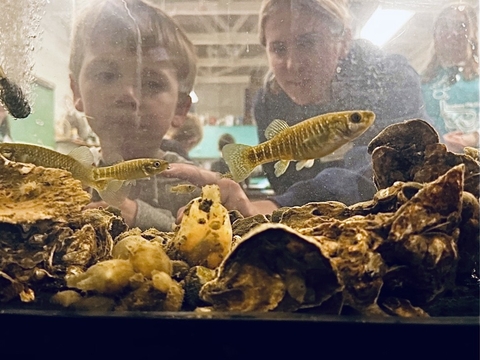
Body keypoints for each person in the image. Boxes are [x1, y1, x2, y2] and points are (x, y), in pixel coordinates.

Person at [163, 0, 430, 217]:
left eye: (308, 43)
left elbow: (384, 164)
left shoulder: (388, 76)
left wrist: (281, 205)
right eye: (279, 48)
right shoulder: (268, 100)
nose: (293, 64)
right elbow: (283, 178)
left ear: (344, 41)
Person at [69, 0, 199, 231]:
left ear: (180, 108)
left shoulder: (193, 183)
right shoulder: (69, 178)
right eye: (106, 75)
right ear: (76, 91)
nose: (127, 95)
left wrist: (140, 215)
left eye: (151, 83)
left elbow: (207, 235)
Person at [421, 3, 479, 153]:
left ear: (473, 33)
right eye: (445, 26)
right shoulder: (421, 84)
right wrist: (438, 140)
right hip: (438, 165)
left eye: (461, 26)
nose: (453, 33)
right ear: (435, 34)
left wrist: (475, 138)